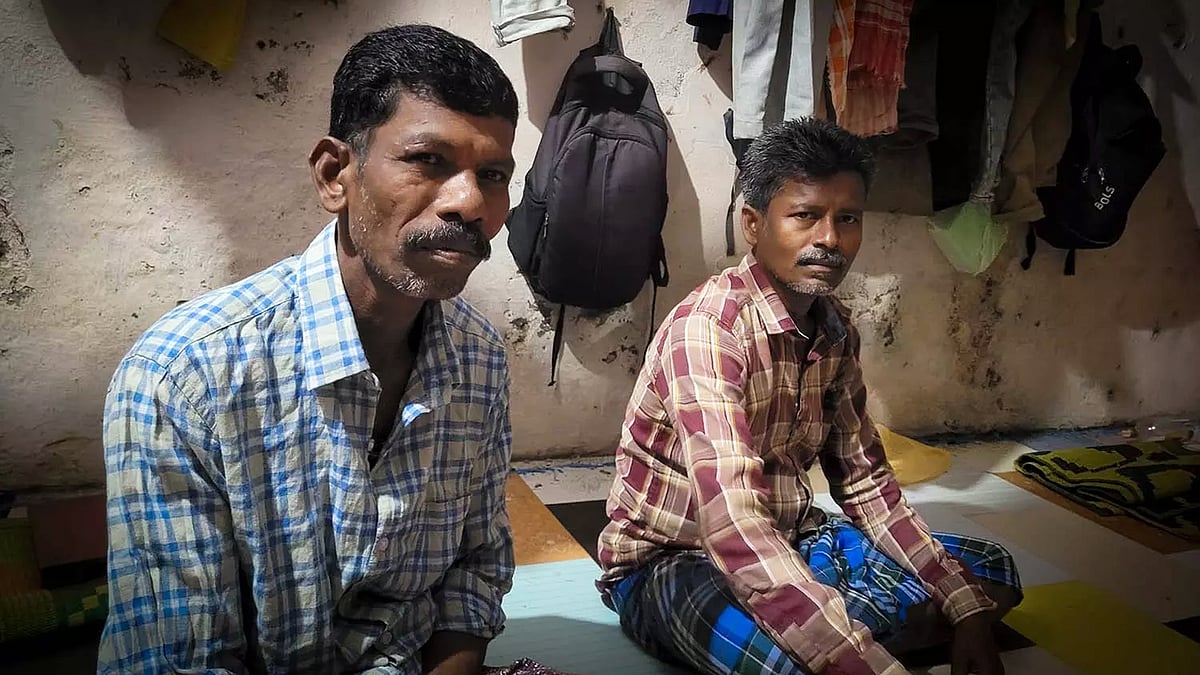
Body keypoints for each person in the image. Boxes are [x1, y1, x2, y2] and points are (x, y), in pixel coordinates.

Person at [100, 25, 519, 675]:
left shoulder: (482, 357)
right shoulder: (183, 378)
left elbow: (475, 573)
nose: (470, 202)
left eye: (492, 174)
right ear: (335, 175)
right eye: (428, 160)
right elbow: (183, 661)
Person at [597, 117, 1023, 675]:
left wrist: (966, 613)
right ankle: (842, 627)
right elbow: (732, 521)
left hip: (792, 538)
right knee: (785, 663)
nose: (830, 239)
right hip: (678, 561)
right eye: (805, 216)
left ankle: (832, 622)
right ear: (753, 224)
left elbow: (866, 482)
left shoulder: (836, 328)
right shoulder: (706, 331)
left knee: (989, 576)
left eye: (847, 219)